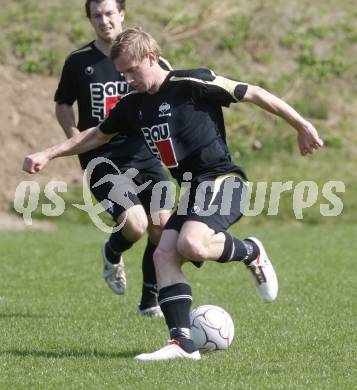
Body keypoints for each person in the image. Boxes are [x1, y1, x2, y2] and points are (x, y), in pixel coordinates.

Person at [23, 27, 323, 361]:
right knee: (163, 253)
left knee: (189, 245)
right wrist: (48, 153)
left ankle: (250, 251)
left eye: (132, 71)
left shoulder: (191, 83)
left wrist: (301, 125)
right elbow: (95, 136)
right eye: (122, 73)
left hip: (222, 180)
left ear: (150, 58)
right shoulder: (134, 105)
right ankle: (182, 344)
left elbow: (253, 92)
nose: (127, 79)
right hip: (193, 190)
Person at [54, 1, 173, 317]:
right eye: (97, 15)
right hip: (101, 158)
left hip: (145, 156)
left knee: (161, 226)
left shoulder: (149, 59)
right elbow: (63, 103)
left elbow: (170, 96)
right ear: (90, 19)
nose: (104, 20)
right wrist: (73, 136)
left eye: (109, 13)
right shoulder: (79, 62)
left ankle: (150, 302)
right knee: (135, 225)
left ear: (122, 13)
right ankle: (112, 251)